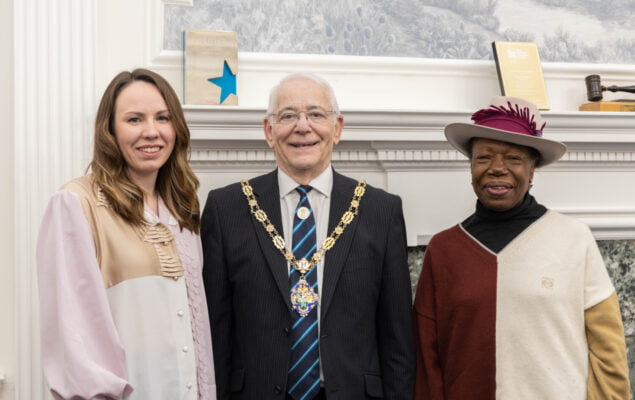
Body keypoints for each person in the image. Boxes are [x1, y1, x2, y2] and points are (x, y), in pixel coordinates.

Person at [201, 73, 415, 399]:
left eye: (316, 114)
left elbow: (398, 339)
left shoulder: (380, 211)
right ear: (269, 131)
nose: (303, 126)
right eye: (288, 116)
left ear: (338, 128)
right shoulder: (226, 208)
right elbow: (215, 331)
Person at [413, 96, 631, 399]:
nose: (497, 168)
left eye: (514, 159)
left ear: (532, 171)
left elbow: (608, 349)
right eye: (484, 158)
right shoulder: (444, 249)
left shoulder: (573, 238)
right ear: (471, 168)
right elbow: (427, 356)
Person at [37, 68, 216, 399]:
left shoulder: (182, 208)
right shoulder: (76, 204)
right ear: (110, 130)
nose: (152, 132)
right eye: (134, 119)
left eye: (162, 118)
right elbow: (75, 340)